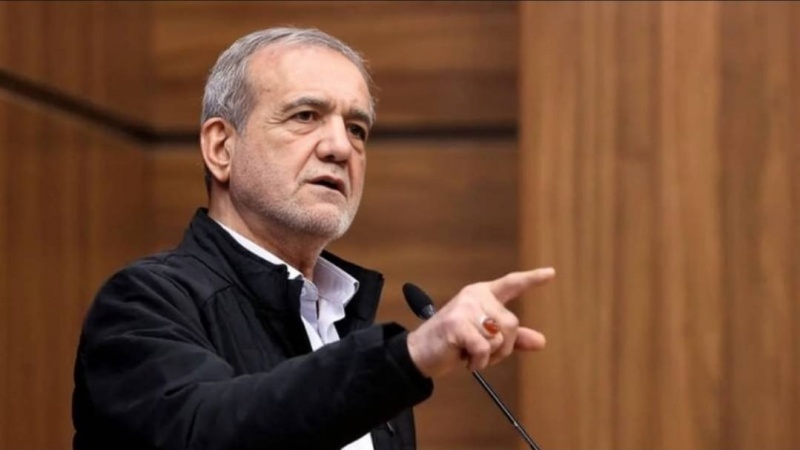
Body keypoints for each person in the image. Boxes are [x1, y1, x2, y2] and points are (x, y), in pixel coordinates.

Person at [72, 27, 555, 450]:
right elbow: (214, 431)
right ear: (221, 148)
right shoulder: (142, 303)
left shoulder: (354, 332)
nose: (341, 147)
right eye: (305, 116)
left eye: (356, 128)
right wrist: (408, 356)